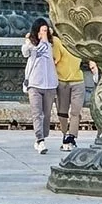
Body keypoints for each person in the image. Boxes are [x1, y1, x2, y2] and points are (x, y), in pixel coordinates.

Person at [22, 17, 58, 154]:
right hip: (35, 84)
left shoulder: (50, 44)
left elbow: (48, 49)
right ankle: (40, 139)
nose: (44, 32)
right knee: (37, 113)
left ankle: (42, 137)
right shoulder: (31, 44)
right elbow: (25, 53)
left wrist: (47, 37)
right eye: (42, 30)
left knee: (46, 114)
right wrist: (29, 42)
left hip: (49, 84)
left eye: (46, 30)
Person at [50, 29, 85, 151]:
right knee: (62, 112)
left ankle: (72, 136)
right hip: (62, 81)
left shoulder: (79, 41)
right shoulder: (57, 41)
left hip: (78, 80)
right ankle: (65, 134)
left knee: (76, 111)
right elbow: (55, 59)